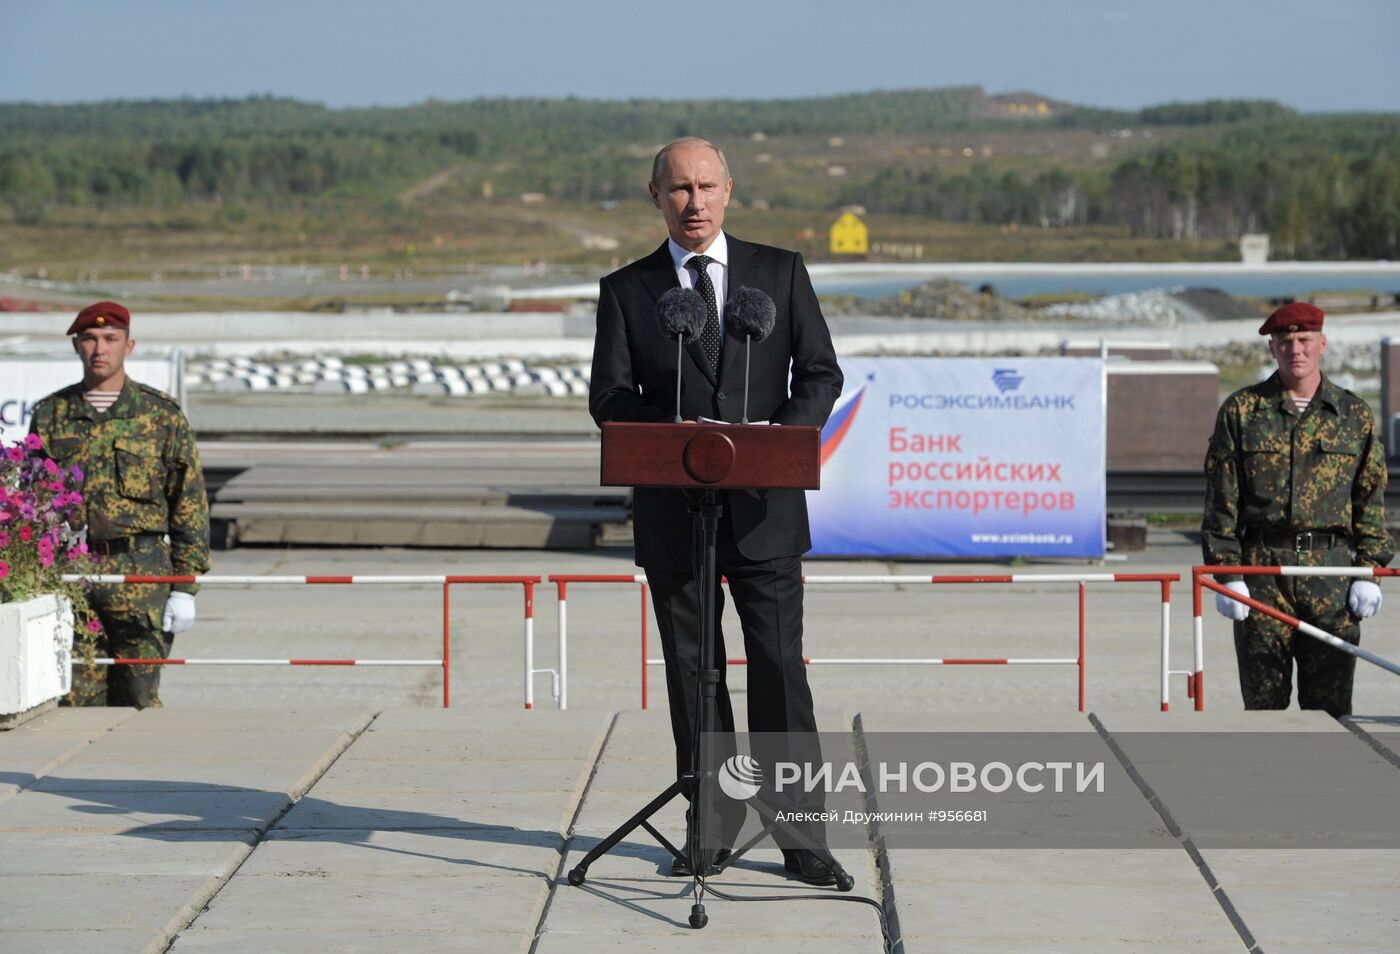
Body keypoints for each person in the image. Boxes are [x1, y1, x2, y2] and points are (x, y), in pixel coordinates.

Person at [589, 137, 844, 884]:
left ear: (729, 191)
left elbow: (821, 372)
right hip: (675, 517)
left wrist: (780, 437)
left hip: (765, 509)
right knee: (694, 674)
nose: (693, 203)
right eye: (678, 190)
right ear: (655, 196)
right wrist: (673, 440)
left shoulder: (781, 274)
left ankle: (803, 839)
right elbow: (608, 397)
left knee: (777, 672)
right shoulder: (627, 290)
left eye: (705, 187)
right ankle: (712, 827)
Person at [1202, 301, 1393, 717]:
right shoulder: (1242, 411)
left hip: (1331, 575)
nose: (1296, 350)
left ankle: (1326, 782)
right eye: (1285, 342)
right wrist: (1228, 575)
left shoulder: (1353, 415)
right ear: (1272, 348)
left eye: (1305, 340)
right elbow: (1222, 501)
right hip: (1263, 573)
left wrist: (1370, 571)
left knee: (1330, 708)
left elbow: (1370, 500)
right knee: (1264, 706)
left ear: (1322, 344)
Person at [29, 301, 211, 708]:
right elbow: (33, 502)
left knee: (139, 700)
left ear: (129, 346)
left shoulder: (160, 415)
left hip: (141, 573)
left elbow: (189, 504)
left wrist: (185, 587)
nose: (100, 349)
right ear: (77, 346)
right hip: (73, 575)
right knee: (73, 701)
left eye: (110, 339)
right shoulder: (51, 415)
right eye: (90, 339)